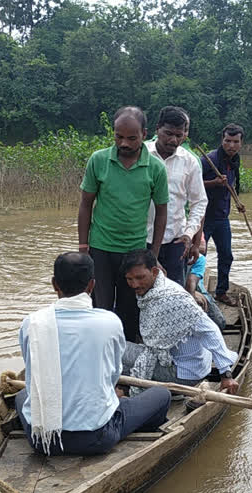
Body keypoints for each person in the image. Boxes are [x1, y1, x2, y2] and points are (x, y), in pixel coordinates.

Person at [14, 252, 171, 456]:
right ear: (91, 286)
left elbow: (32, 373)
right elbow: (114, 374)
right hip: (96, 437)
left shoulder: (32, 323)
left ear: (54, 284)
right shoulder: (109, 321)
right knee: (162, 394)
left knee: (22, 395)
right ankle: (143, 432)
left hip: (42, 440)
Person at [77, 106, 169, 342]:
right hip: (101, 248)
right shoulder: (99, 160)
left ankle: (126, 363)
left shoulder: (156, 168)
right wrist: (83, 247)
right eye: (119, 137)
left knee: (131, 310)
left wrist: (154, 254)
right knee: (101, 308)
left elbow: (161, 212)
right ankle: (100, 354)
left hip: (135, 251)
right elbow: (86, 204)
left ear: (145, 134)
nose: (124, 143)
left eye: (131, 138)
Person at [120, 249, 239, 394]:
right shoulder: (153, 291)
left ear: (155, 272)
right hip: (181, 364)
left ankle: (131, 391)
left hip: (183, 372)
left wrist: (226, 374)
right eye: (129, 279)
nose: (134, 284)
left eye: (140, 277)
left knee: (112, 348)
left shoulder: (173, 298)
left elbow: (210, 330)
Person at [145, 106, 207, 287]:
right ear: (157, 129)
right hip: (141, 239)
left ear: (185, 135)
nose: (173, 140)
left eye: (180, 135)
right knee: (140, 292)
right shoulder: (141, 155)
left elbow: (199, 202)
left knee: (174, 292)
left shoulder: (190, 162)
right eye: (168, 134)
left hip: (175, 240)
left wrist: (190, 235)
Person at [201, 123, 245, 306]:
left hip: (222, 217)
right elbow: (191, 185)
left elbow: (232, 185)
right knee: (197, 255)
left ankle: (221, 292)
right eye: (228, 141)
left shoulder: (235, 160)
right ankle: (191, 291)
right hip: (203, 217)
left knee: (226, 255)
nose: (231, 145)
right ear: (222, 140)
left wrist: (238, 202)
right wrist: (214, 183)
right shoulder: (208, 159)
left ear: (241, 143)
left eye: (235, 141)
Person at [186, 233, 226, 331]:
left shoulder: (199, 259)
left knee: (219, 323)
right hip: (179, 291)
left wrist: (193, 295)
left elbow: (192, 280)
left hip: (195, 289)